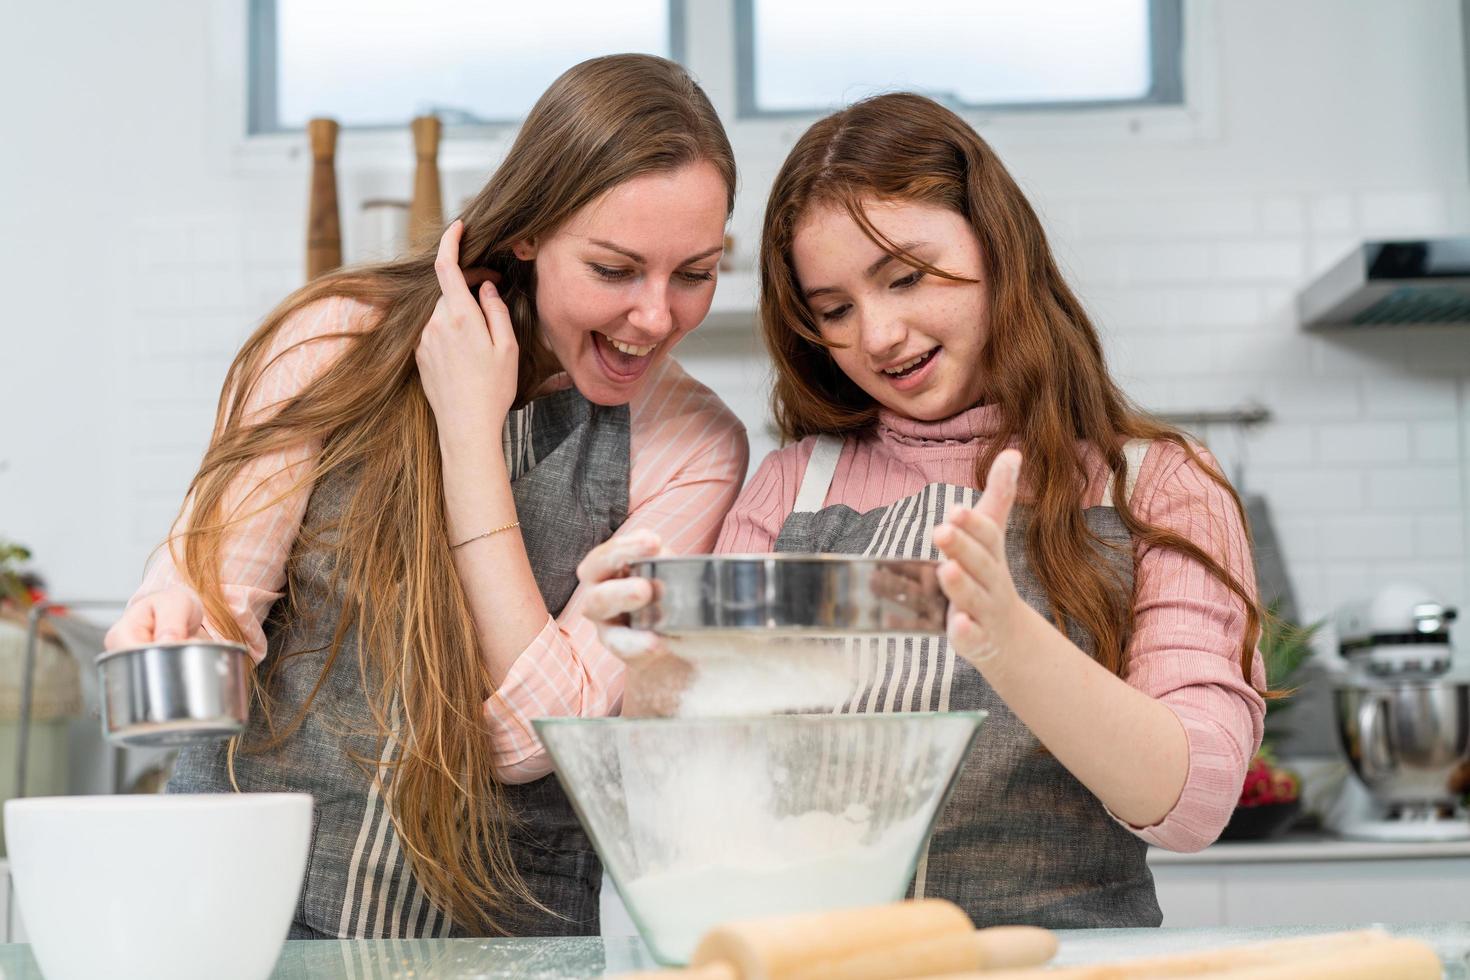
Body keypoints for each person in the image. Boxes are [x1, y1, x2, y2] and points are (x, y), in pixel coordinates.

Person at [579, 92, 1266, 929]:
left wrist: (1010, 641)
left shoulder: (1158, 485)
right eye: (835, 310)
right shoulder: (791, 490)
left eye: (906, 276)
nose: (879, 335)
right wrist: (653, 681)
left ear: (998, 245)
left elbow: (1194, 801)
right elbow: (711, 807)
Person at [103, 54, 748, 939]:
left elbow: (533, 740)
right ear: (528, 232)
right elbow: (212, 605)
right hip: (253, 916)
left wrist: (467, 434)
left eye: (695, 274)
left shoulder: (696, 448)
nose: (654, 317)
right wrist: (173, 609)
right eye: (613, 269)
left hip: (498, 945)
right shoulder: (336, 339)